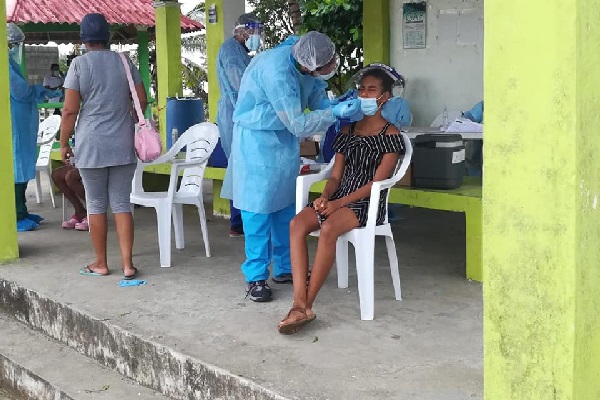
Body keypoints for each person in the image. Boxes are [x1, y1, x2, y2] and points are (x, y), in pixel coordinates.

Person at [222, 31, 362, 302]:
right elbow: (297, 123)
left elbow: (316, 97)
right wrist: (333, 114)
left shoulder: (306, 63)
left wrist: (335, 106)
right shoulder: (277, 71)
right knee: (258, 211)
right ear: (310, 66)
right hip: (256, 142)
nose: (331, 69)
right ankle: (256, 277)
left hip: (282, 143)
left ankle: (286, 268)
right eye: (327, 67)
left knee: (284, 207)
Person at [277, 64, 406, 334]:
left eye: (372, 90)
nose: (365, 94)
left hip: (367, 203)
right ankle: (299, 302)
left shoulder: (391, 136)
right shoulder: (347, 132)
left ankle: (305, 306)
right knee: (297, 224)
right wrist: (325, 196)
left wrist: (337, 204)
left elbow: (376, 184)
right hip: (339, 197)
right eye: (362, 89)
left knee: (329, 228)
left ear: (385, 97)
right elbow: (335, 176)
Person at [59, 13, 147, 279]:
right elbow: (141, 100)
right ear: (107, 37)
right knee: (122, 203)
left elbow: (70, 111)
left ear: (84, 39)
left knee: (96, 204)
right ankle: (128, 265)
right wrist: (126, 117)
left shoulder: (78, 65)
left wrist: (63, 142)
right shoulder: (124, 61)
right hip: (122, 142)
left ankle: (101, 263)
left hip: (91, 144)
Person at [7, 23, 61, 232]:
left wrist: (41, 91)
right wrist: (41, 90)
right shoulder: (5, 64)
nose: (16, 48)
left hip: (22, 123)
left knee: (21, 165)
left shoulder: (10, 63)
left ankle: (23, 210)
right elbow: (20, 92)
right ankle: (17, 214)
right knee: (16, 167)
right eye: (13, 44)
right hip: (15, 124)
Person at [216, 13, 263, 238]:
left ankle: (242, 220)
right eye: (254, 32)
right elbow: (240, 86)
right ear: (242, 31)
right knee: (239, 168)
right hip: (234, 116)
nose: (256, 36)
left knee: (243, 167)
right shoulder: (231, 51)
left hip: (239, 115)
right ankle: (238, 221)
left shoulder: (243, 52)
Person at [51, 165, 88, 230]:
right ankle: (80, 211)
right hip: (80, 162)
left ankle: (94, 213)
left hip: (95, 163)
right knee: (56, 175)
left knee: (71, 177)